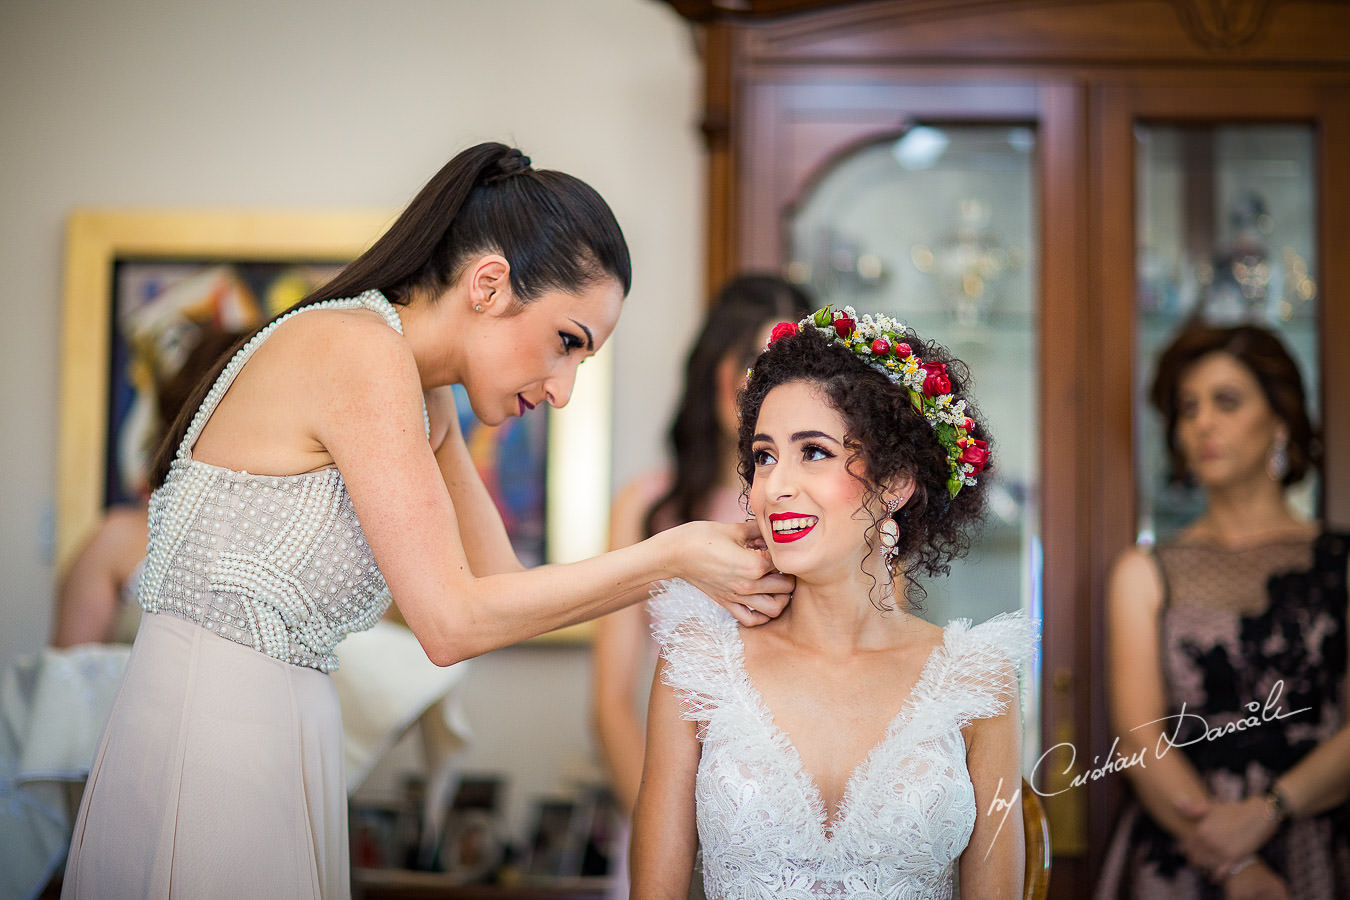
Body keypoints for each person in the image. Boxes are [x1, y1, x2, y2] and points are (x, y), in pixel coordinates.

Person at [61, 142, 792, 899]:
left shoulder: (423, 392)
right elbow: (450, 624)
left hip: (280, 728)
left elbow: (500, 588)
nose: (565, 386)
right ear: (488, 283)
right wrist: (671, 556)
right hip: (215, 731)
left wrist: (674, 559)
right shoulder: (359, 352)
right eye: (567, 342)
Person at [631, 306, 1035, 898]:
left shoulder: (978, 682)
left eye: (813, 452)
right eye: (764, 456)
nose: (776, 486)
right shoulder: (698, 664)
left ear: (895, 483)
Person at [1096, 324, 1350, 899]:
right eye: (1188, 408)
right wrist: (1232, 863)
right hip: (1182, 849)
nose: (1202, 423)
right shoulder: (1142, 571)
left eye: (1226, 401)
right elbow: (1140, 741)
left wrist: (1270, 811)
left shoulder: (1341, 562)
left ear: (1281, 418)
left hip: (1316, 840)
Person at [590, 274, 813, 891]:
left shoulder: (836, 516)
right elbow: (610, 703)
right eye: (745, 359)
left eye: (776, 362)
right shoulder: (648, 507)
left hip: (799, 827)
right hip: (668, 820)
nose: (749, 383)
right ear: (713, 368)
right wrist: (672, 830)